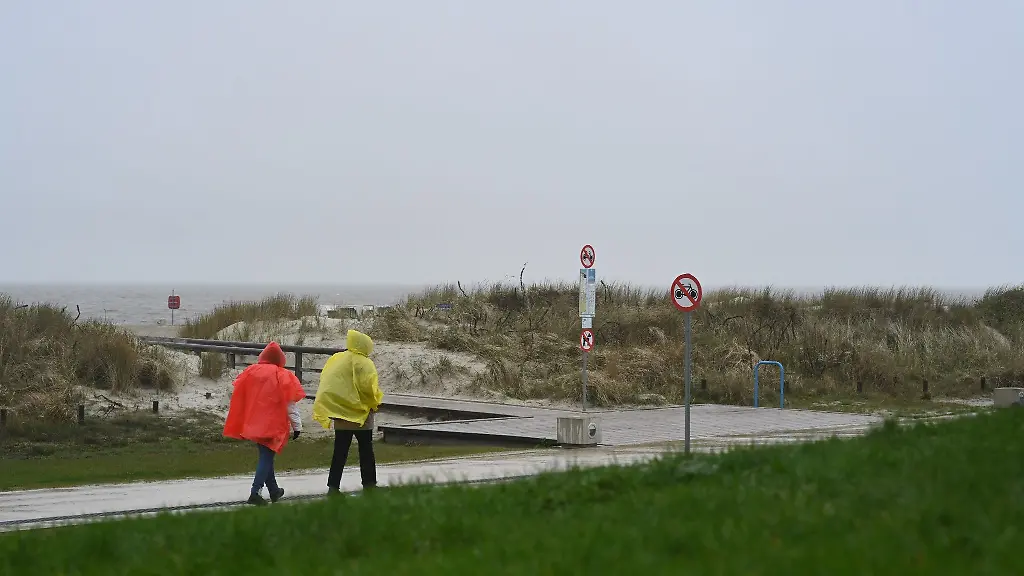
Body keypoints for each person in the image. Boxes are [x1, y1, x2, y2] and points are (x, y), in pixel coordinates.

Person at [223, 341, 306, 505]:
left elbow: (241, 395)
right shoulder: (282, 375)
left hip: (254, 423)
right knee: (267, 457)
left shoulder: (251, 372)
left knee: (266, 456)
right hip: (273, 425)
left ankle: (274, 490)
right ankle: (256, 491)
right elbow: (290, 404)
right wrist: (297, 426)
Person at [312, 329, 383, 495]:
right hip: (362, 417)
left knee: (339, 452)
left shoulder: (337, 359)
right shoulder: (365, 363)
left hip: (341, 415)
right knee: (366, 451)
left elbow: (329, 383)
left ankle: (333, 486)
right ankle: (369, 484)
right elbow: (369, 388)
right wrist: (374, 403)